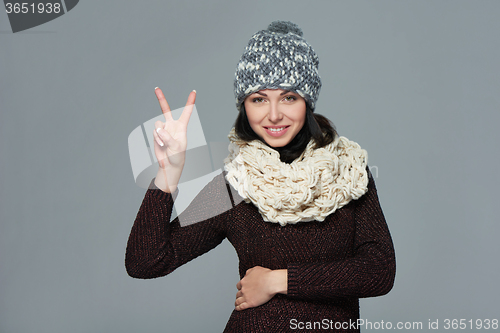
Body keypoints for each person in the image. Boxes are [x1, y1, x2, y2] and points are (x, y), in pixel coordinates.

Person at [126, 21, 396, 332]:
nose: (273, 115)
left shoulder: (348, 174)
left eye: (288, 97)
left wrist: (277, 281)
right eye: (259, 99)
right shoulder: (235, 185)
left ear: (307, 101)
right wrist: (168, 172)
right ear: (244, 106)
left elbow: (379, 271)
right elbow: (145, 262)